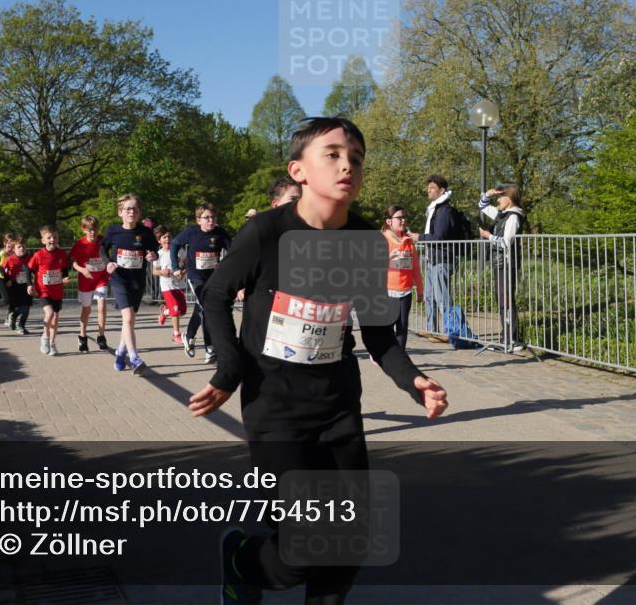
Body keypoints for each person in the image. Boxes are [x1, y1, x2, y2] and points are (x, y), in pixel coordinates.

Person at [191, 116, 448, 605]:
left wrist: (414, 380)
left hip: (337, 408)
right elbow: (218, 294)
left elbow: (377, 332)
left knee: (349, 542)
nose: (346, 164)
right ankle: (242, 559)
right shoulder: (265, 232)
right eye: (331, 154)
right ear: (299, 170)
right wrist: (229, 372)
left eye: (355, 157)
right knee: (306, 549)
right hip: (274, 408)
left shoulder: (368, 243)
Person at [101, 193, 158, 373]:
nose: (131, 211)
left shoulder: (145, 232)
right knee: (128, 317)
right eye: (127, 209)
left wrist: (152, 255)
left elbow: (154, 249)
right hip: (119, 279)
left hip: (137, 281)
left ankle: (120, 351)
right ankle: (134, 357)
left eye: (134, 208)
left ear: (139, 212)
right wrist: (107, 262)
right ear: (120, 212)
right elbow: (102, 247)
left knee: (129, 321)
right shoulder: (113, 231)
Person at [170, 203, 232, 363]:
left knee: (201, 308)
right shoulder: (191, 232)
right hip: (195, 276)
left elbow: (233, 251)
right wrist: (175, 266)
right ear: (199, 220)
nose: (211, 221)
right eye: (207, 218)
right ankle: (210, 348)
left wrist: (225, 265)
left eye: (213, 217)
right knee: (206, 308)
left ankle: (189, 336)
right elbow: (175, 244)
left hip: (212, 277)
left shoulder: (220, 233)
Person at [478, 185, 527, 351]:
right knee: (502, 300)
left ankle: (511, 339)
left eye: (500, 197)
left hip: (507, 263)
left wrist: (488, 236)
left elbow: (506, 242)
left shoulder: (513, 217)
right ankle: (505, 338)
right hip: (499, 262)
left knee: (506, 300)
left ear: (509, 199)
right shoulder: (502, 214)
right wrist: (489, 194)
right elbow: (483, 206)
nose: (498, 200)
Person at [410, 175, 458, 333]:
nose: (428, 191)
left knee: (442, 298)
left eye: (432, 188)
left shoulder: (444, 211)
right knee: (430, 297)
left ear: (442, 190)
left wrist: (420, 237)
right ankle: (432, 330)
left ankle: (451, 330)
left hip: (442, 259)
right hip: (433, 259)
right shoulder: (435, 209)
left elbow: (439, 237)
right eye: (428, 188)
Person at [383, 205, 423, 350]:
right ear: (389, 221)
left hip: (406, 290)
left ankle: (400, 357)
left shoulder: (409, 241)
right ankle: (381, 352)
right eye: (399, 218)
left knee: (403, 325)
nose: (403, 221)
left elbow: (416, 268)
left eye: (404, 217)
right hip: (387, 290)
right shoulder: (383, 239)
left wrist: (420, 288)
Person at [27, 225, 70, 356]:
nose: (52, 240)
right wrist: (29, 285)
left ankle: (52, 343)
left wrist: (65, 277)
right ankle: (44, 337)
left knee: (56, 317)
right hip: (43, 290)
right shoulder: (38, 255)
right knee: (50, 313)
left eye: (55, 237)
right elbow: (29, 270)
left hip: (57, 290)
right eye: (49, 237)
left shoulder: (61, 254)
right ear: (43, 241)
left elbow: (64, 269)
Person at [71, 215, 110, 353]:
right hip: (86, 280)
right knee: (86, 310)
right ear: (84, 230)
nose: (93, 232)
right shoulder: (79, 244)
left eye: (95, 229)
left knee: (102, 305)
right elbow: (74, 263)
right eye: (90, 229)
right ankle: (82, 336)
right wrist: (82, 270)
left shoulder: (103, 241)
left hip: (101, 278)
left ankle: (101, 336)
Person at [152, 225, 187, 346]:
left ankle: (165, 311)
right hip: (167, 286)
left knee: (182, 311)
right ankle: (176, 334)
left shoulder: (179, 250)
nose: (167, 239)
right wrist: (162, 272)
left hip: (179, 284)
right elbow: (154, 271)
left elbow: (186, 263)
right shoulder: (158, 254)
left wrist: (182, 272)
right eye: (164, 237)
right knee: (176, 311)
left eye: (169, 236)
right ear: (159, 240)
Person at [1, 236, 33, 335]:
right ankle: (14, 317)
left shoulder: (30, 258)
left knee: (27, 307)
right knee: (21, 306)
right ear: (14, 249)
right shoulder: (10, 259)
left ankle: (21, 326)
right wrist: (7, 279)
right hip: (15, 286)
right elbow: (1, 269)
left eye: (23, 246)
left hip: (27, 285)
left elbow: (36, 268)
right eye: (19, 247)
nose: (22, 249)